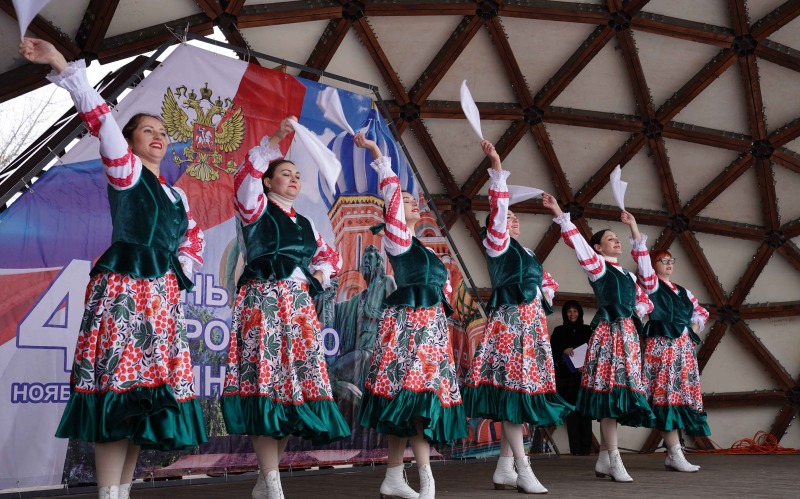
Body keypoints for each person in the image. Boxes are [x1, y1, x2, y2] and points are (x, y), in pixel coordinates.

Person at [19, 38, 207, 499]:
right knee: (117, 394)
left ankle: (120, 492)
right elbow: (101, 119)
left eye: (163, 131)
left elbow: (194, 237)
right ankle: (108, 494)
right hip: (124, 291)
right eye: (147, 130)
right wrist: (65, 68)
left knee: (141, 402)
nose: (159, 137)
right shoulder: (124, 170)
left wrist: (179, 267)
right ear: (130, 141)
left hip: (159, 300)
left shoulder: (176, 196)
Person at [222, 118, 350, 499]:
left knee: (290, 391)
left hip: (297, 309)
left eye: (297, 175)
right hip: (263, 302)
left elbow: (330, 258)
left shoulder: (307, 223)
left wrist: (322, 274)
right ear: (267, 180)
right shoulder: (255, 208)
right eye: (285, 173)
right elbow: (246, 180)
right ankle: (273, 483)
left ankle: (266, 481)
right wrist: (275, 141)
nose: (294, 179)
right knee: (267, 385)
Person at [354, 132, 466, 499]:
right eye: (403, 200)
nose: (409, 202)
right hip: (408, 329)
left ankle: (395, 475)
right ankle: (425, 478)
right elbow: (391, 195)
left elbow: (445, 293)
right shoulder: (397, 240)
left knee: (415, 403)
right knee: (410, 398)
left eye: (411, 199)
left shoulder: (428, 252)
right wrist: (377, 154)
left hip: (431, 332)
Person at [461, 141, 570, 494]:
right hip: (510, 325)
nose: (512, 218)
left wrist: (542, 296)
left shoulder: (526, 253)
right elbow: (498, 205)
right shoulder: (498, 244)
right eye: (507, 216)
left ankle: (505, 467)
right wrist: (497, 165)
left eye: (514, 217)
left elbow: (546, 281)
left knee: (521, 395)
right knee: (512, 393)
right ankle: (523, 468)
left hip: (530, 326)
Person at [542, 194, 654, 483]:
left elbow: (647, 287)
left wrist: (634, 229)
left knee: (617, 394)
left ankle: (605, 458)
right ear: (598, 247)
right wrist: (559, 212)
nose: (617, 242)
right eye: (611, 238)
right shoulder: (599, 267)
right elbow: (578, 243)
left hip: (627, 335)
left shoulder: (628, 276)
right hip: (610, 335)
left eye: (618, 239)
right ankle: (614, 458)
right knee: (609, 394)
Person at [626, 213, 709, 472]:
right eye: (663, 260)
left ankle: (675, 453)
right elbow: (640, 258)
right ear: (654, 264)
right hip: (661, 348)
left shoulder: (683, 291)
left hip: (682, 349)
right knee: (665, 398)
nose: (669, 263)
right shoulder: (651, 285)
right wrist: (633, 225)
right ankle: (675, 453)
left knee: (679, 397)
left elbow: (701, 312)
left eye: (671, 260)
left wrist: (690, 331)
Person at [550, 300, 594, 456]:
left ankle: (586, 451)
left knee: (585, 415)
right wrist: (564, 350)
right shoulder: (559, 331)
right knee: (572, 417)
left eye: (575, 311)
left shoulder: (587, 330)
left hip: (584, 379)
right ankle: (575, 451)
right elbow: (551, 352)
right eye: (569, 311)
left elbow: (594, 350)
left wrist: (586, 363)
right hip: (566, 380)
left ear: (580, 313)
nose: (572, 314)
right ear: (565, 314)